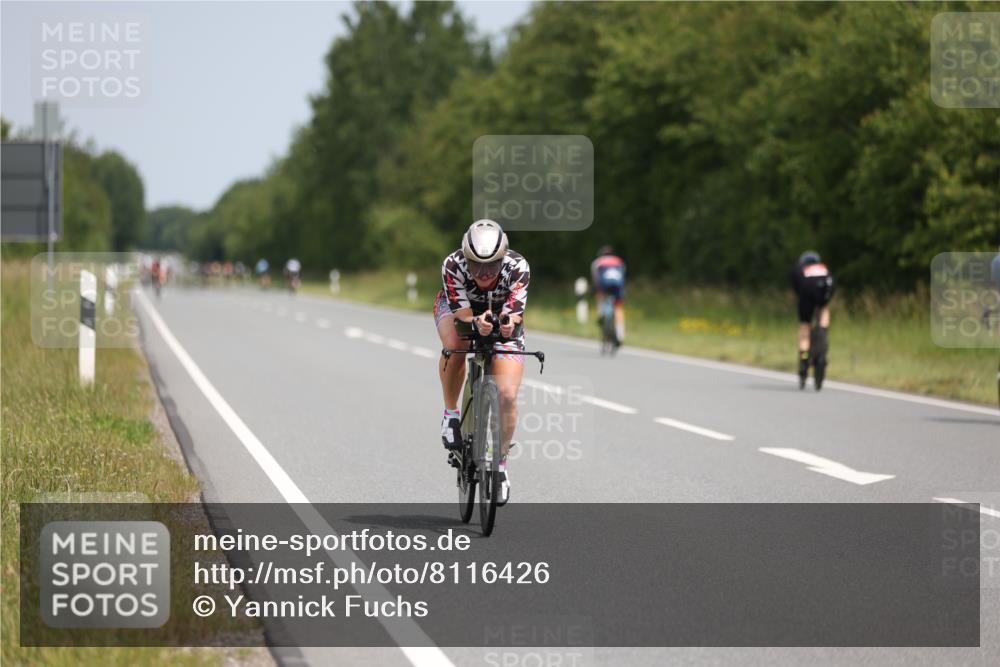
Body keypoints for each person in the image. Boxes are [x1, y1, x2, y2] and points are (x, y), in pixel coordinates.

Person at [434, 220, 530, 505]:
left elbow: (515, 314)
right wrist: (475, 321)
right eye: (476, 266)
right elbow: (461, 315)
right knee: (455, 345)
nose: (485, 273)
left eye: (492, 265)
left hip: (501, 316)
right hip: (460, 311)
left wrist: (507, 324)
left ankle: (499, 465)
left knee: (509, 395)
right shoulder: (452, 264)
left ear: (504, 258)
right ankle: (451, 415)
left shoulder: (518, 267)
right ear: (466, 258)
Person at [790, 250, 835, 387]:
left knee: (805, 327)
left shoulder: (799, 269)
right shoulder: (823, 268)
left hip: (806, 292)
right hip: (825, 288)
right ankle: (823, 329)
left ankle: (804, 361)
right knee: (824, 307)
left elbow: (798, 290)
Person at [591, 245, 626, 345]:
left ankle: (601, 315)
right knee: (618, 308)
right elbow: (622, 275)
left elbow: (596, 278)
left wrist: (597, 289)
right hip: (617, 286)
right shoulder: (619, 261)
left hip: (605, 285)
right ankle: (620, 335)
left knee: (600, 296)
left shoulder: (597, 262)